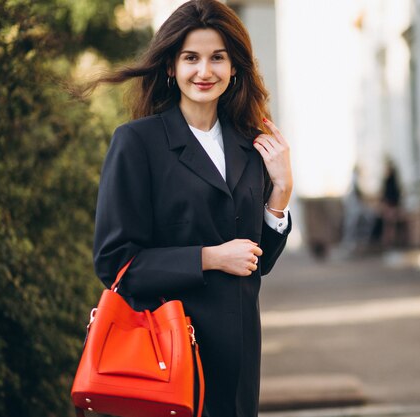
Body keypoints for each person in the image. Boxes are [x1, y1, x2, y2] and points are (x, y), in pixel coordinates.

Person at [89, 1, 293, 416]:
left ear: (235, 66)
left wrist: (281, 191)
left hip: (238, 358)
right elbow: (115, 262)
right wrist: (210, 258)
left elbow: (257, 262)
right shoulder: (137, 143)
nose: (205, 71)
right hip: (166, 355)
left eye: (218, 57)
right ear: (170, 67)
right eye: (191, 58)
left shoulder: (249, 145)